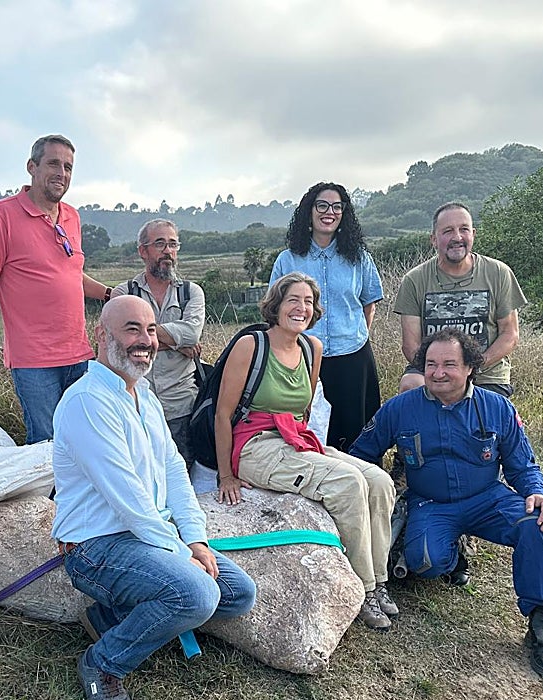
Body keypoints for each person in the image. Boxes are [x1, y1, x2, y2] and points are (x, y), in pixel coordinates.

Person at [52, 295, 256, 700]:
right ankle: (103, 663)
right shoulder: (88, 401)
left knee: (238, 593)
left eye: (150, 330)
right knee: (198, 593)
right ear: (100, 335)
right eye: (132, 329)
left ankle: (112, 616)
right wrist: (181, 554)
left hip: (142, 537)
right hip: (95, 547)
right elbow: (128, 499)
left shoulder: (143, 394)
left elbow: (174, 469)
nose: (145, 340)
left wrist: (196, 541)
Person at [349, 328, 543, 680]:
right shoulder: (400, 408)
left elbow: (522, 464)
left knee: (535, 523)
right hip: (431, 503)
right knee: (424, 562)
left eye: (449, 364)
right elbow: (361, 454)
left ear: (470, 368)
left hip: (488, 499)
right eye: (431, 364)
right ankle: (454, 556)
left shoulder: (497, 407)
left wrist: (537, 491)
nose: (438, 373)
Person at [214, 273, 398, 631]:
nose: (301, 308)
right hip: (255, 445)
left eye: (309, 302)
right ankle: (363, 588)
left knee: (379, 481)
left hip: (295, 438)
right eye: (293, 300)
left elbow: (304, 412)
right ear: (276, 305)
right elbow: (223, 414)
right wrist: (226, 475)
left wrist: (311, 451)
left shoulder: (312, 349)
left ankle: (380, 580)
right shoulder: (252, 345)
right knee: (347, 482)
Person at [0, 134, 111, 443]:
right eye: (53, 164)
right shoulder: (2, 214)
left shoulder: (72, 216)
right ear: (32, 167)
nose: (61, 173)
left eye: (68, 167)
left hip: (78, 353)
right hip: (34, 361)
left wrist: (109, 295)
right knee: (46, 443)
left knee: (83, 438)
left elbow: (71, 274)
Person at [271, 183, 383, 451]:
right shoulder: (288, 260)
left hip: (353, 355)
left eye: (336, 207)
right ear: (309, 211)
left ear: (344, 213)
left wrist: (353, 335)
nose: (329, 212)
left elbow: (368, 304)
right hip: (303, 358)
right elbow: (275, 310)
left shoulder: (359, 258)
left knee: (358, 435)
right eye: (322, 205)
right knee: (309, 431)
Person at [395, 202, 526, 397]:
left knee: (483, 409)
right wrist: (441, 373)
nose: (457, 237)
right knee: (411, 385)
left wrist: (472, 367)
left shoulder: (499, 273)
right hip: (435, 373)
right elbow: (411, 346)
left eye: (464, 229)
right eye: (448, 231)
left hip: (485, 374)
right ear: (434, 239)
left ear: (473, 234)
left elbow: (510, 335)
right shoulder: (414, 280)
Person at [110, 219, 205, 468]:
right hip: (135, 405)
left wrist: (140, 336)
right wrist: (177, 343)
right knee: (139, 473)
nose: (168, 251)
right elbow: (120, 345)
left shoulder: (191, 292)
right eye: (160, 244)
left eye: (173, 244)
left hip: (180, 405)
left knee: (180, 475)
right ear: (143, 251)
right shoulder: (124, 293)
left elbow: (191, 334)